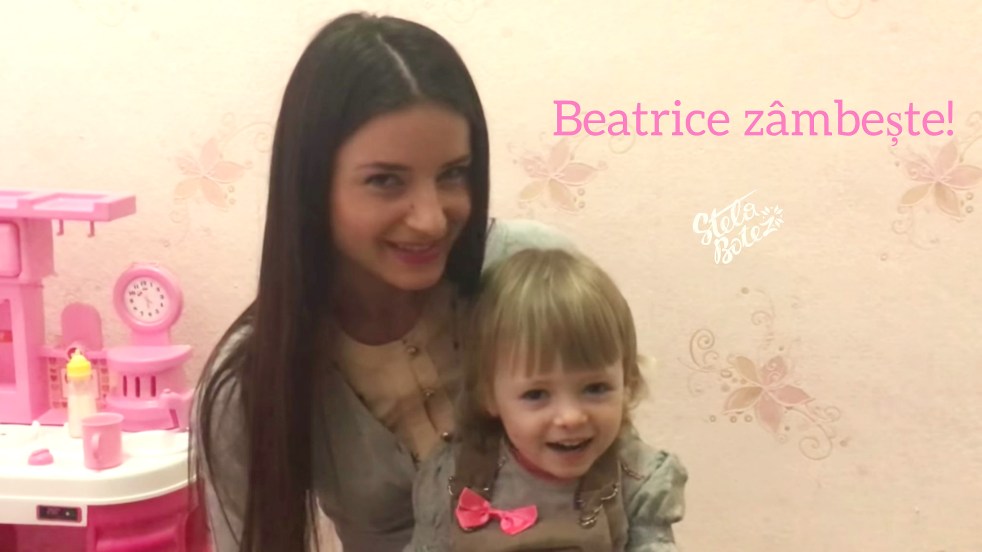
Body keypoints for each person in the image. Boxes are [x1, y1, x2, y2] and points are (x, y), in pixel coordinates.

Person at [191, 11, 576, 552]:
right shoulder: (247, 385)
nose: (431, 220)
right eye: (386, 181)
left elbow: (624, 483)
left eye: (453, 174)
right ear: (312, 186)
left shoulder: (534, 272)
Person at [405, 248, 688, 552]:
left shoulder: (635, 475)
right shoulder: (456, 474)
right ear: (489, 396)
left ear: (627, 383)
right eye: (536, 394)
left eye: (595, 388)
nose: (571, 417)